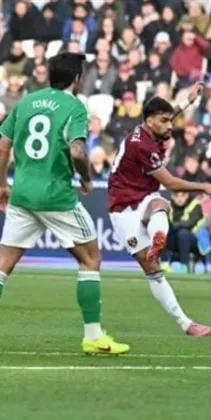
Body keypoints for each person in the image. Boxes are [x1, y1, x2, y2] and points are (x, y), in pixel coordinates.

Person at [0, 52, 129, 355]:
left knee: (3, 264)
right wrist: (85, 177)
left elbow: (3, 145)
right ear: (77, 78)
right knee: (91, 259)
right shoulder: (75, 107)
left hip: (22, 193)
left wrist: (2, 183)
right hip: (55, 195)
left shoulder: (26, 102)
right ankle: (93, 337)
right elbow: (78, 152)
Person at [108, 83, 211, 337]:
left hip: (144, 196)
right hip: (122, 207)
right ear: (149, 121)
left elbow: (164, 117)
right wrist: (202, 185)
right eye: (165, 121)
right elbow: (170, 182)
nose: (170, 126)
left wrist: (188, 101)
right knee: (153, 270)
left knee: (160, 204)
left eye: (170, 120)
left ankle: (158, 238)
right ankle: (185, 322)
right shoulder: (142, 147)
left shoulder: (149, 128)